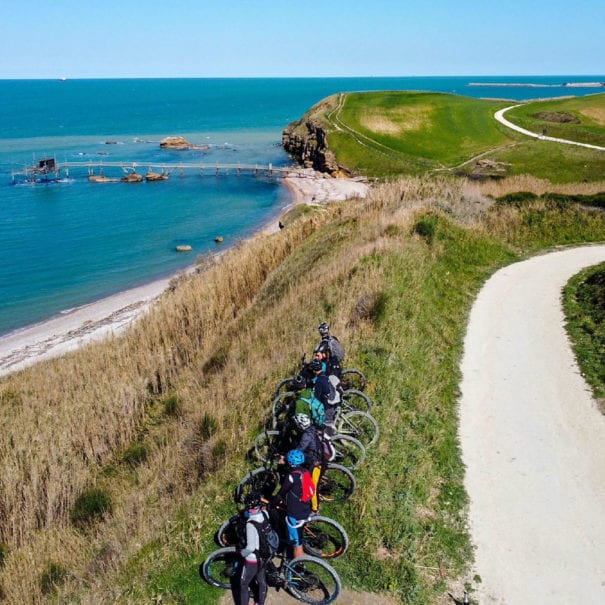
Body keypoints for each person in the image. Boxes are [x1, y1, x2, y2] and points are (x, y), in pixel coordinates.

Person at [270, 449, 313, 559]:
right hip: (305, 507)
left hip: (295, 513)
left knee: (296, 543)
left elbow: (281, 494)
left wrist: (271, 505)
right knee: (298, 533)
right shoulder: (305, 472)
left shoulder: (291, 477)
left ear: (290, 462)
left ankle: (298, 566)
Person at [231, 492, 271, 605]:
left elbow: (251, 547)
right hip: (264, 555)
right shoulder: (265, 513)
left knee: (243, 584)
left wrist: (241, 553)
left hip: (253, 559)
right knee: (262, 581)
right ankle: (260, 603)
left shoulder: (250, 525)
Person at [293, 412, 324, 514]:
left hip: (314, 463)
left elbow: (300, 449)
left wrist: (289, 456)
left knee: (312, 487)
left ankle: (315, 509)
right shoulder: (312, 429)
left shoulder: (306, 435)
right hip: (319, 457)